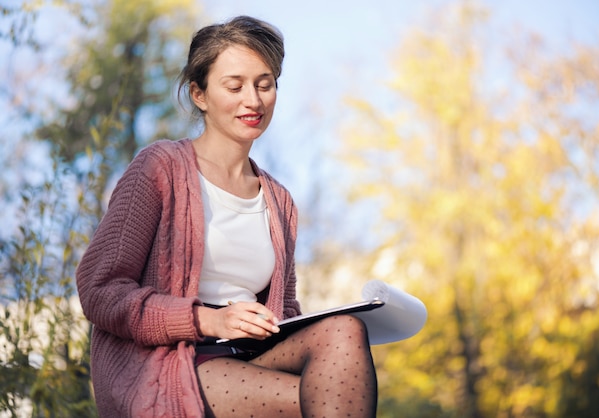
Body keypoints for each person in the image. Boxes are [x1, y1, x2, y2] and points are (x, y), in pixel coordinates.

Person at [76, 15, 377, 418]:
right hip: (173, 363)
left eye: (265, 84)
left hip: (250, 356)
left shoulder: (280, 200)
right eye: (234, 86)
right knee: (328, 399)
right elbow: (100, 290)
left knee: (345, 330)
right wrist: (209, 321)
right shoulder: (159, 169)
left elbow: (284, 310)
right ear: (199, 95)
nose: (252, 100)